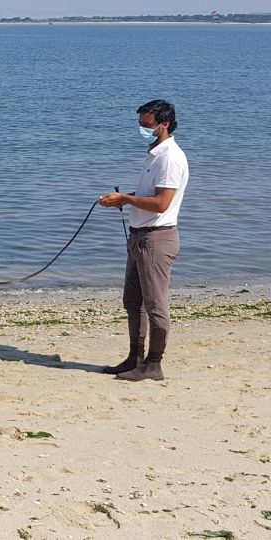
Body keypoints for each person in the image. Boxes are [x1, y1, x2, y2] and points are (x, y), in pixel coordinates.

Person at [98, 100, 189, 382]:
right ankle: (134, 358)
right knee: (133, 301)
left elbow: (162, 203)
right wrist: (124, 201)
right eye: (140, 125)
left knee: (155, 304)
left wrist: (125, 198)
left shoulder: (170, 157)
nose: (142, 129)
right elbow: (150, 196)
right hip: (140, 237)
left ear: (165, 124)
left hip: (156, 239)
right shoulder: (154, 155)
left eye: (147, 125)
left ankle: (153, 364)